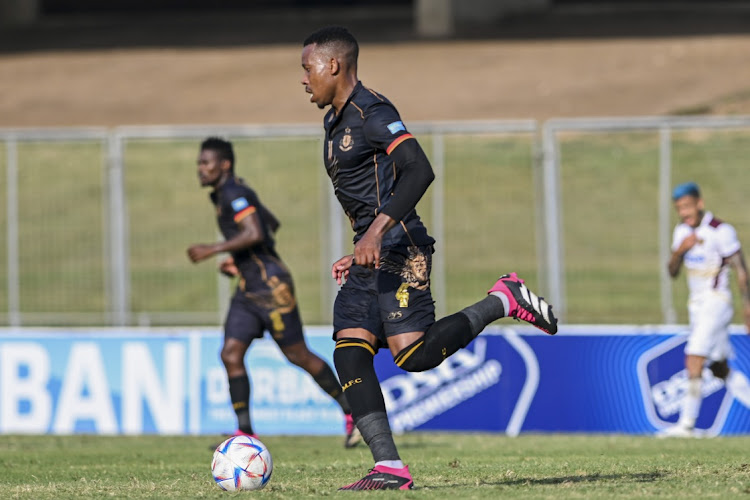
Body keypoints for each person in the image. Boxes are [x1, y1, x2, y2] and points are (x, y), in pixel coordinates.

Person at [300, 26, 558, 490]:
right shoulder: (334, 121)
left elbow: (420, 169)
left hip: (402, 247)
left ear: (333, 65)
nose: (303, 79)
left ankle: (502, 299)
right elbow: (370, 192)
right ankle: (389, 468)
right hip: (371, 251)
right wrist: (360, 244)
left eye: (307, 68)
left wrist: (376, 232)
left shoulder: (373, 113)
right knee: (349, 350)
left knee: (413, 357)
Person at [186, 137, 361, 448]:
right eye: (200, 162)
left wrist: (213, 249)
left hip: (271, 288)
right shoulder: (226, 192)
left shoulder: (234, 192)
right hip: (248, 288)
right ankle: (245, 433)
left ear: (223, 165)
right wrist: (239, 260)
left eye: (205, 162)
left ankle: (354, 413)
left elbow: (254, 231)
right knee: (230, 354)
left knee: (298, 355)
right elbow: (271, 224)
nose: (200, 168)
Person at [660, 182, 750, 437]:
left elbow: (741, 269)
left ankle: (686, 425)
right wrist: (680, 250)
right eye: (679, 208)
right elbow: (672, 272)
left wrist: (747, 306)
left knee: (694, 356)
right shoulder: (681, 232)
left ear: (699, 203)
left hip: (717, 301)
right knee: (719, 368)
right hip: (696, 304)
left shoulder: (720, 231)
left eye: (687, 206)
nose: (684, 213)